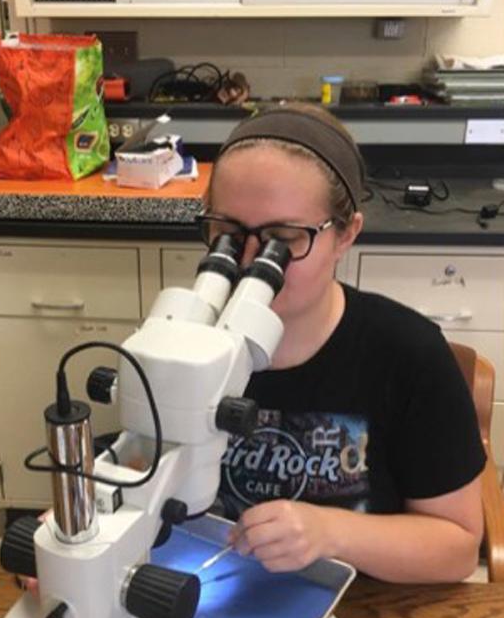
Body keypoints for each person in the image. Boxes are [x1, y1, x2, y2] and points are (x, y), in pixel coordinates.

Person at [197, 103, 485, 584]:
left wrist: (331, 532)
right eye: (227, 233)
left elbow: (457, 547)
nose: (250, 261)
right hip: (210, 590)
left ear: (345, 234)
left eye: (283, 239)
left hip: (360, 610)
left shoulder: (408, 354)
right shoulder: (189, 339)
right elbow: (141, 467)